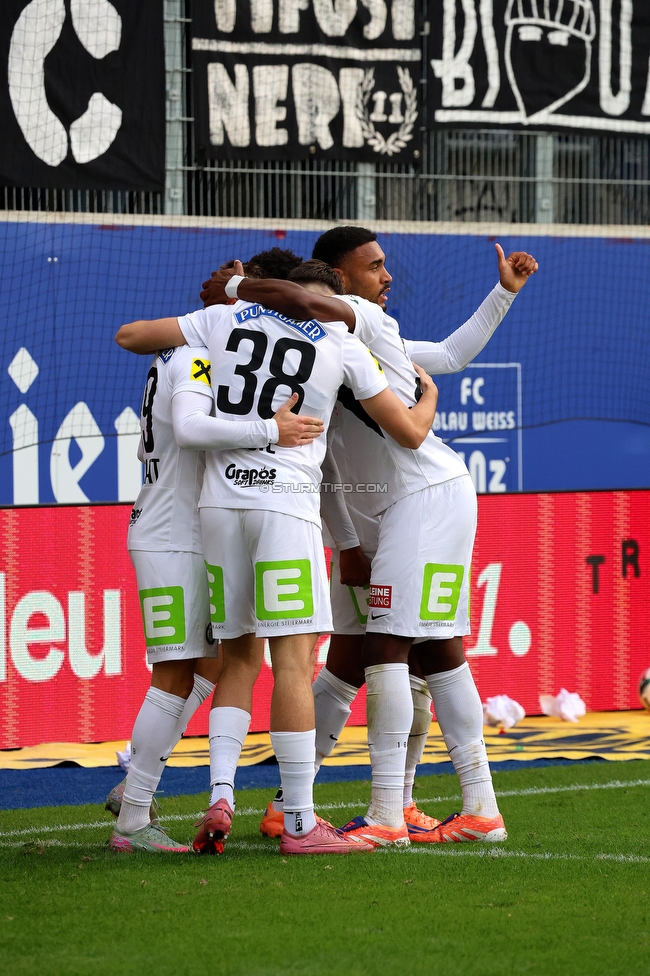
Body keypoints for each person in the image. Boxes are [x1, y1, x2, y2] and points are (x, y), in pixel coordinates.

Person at [201, 229, 537, 847]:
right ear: (336, 272)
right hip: (371, 514)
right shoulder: (308, 346)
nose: (387, 276)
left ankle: (393, 810)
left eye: (384, 265)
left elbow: (446, 358)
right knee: (355, 656)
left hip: (426, 500)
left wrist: (237, 288)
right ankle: (296, 803)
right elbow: (327, 466)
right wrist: (349, 543)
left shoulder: (366, 324)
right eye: (374, 266)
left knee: (398, 648)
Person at [115, 259, 439, 856]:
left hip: (216, 508)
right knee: (292, 662)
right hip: (284, 506)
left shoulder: (224, 320)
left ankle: (217, 794)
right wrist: (429, 400)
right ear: (330, 301)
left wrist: (233, 291)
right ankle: (298, 822)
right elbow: (409, 432)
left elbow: (132, 336)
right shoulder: (340, 341)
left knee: (235, 657)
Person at [112, 297, 324, 854]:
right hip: (173, 535)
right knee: (174, 674)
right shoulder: (195, 358)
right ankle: (133, 813)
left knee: (211, 664)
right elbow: (188, 429)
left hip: (180, 528)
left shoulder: (180, 355)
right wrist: (270, 429)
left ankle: (137, 781)